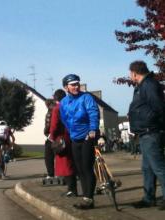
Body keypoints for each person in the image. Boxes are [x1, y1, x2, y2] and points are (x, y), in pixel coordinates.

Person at [127, 60, 165, 210]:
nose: (130, 76)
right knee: (147, 168)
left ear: (135, 73)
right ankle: (148, 198)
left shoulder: (148, 85)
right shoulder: (143, 86)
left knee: (159, 167)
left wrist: (151, 122)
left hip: (151, 132)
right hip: (145, 132)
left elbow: (158, 107)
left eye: (130, 73)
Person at [60, 74, 100, 209]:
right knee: (79, 169)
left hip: (88, 136)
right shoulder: (64, 102)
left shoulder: (86, 97)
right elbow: (64, 119)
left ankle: (89, 199)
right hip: (74, 138)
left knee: (87, 167)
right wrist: (71, 131)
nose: (76, 86)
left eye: (77, 84)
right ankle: (86, 197)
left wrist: (93, 129)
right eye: (73, 85)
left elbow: (93, 112)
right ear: (66, 87)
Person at [49, 89, 77, 196]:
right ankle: (73, 188)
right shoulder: (70, 105)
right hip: (73, 136)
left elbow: (54, 125)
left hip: (62, 138)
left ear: (55, 98)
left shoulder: (57, 109)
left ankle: (72, 190)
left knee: (66, 164)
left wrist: (52, 137)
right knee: (72, 162)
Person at [43, 99, 57, 181]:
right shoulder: (58, 108)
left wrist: (45, 132)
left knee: (48, 156)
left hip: (52, 135)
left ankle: (51, 174)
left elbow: (48, 124)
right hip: (60, 135)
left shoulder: (50, 111)